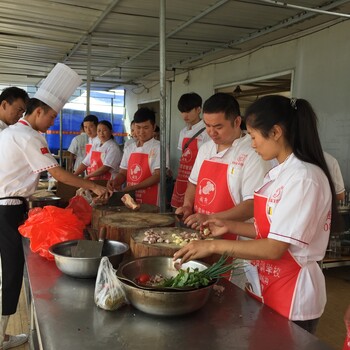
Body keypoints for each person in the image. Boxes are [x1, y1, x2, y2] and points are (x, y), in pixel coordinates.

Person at [174, 95, 341, 334]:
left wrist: (212, 246)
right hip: (267, 284)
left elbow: (275, 247)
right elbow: (268, 229)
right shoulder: (280, 173)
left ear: (275, 132)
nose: (252, 144)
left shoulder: (303, 177)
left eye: (253, 136)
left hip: (293, 294)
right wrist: (228, 226)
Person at [0, 63, 110, 350]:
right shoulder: (28, 136)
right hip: (6, 208)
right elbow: (59, 174)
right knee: (12, 269)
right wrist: (93, 186)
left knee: (10, 268)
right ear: (38, 112)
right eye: (51, 116)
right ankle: (1, 336)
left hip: (9, 205)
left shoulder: (13, 132)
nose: (53, 122)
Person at [175, 93, 270, 234]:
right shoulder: (205, 148)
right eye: (207, 126)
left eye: (218, 127)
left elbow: (252, 205)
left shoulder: (254, 153)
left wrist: (210, 218)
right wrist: (188, 206)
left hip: (235, 238)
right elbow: (193, 183)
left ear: (237, 122)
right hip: (201, 232)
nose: (211, 132)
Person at [108, 107, 168, 206]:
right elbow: (123, 172)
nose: (141, 132)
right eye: (138, 127)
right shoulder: (130, 148)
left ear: (153, 127)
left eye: (146, 128)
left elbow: (158, 176)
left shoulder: (159, 148)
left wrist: (133, 187)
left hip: (152, 199)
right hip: (131, 198)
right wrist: (115, 181)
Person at [170, 92, 211, 209]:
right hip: (183, 175)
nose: (184, 115)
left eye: (188, 111)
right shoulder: (183, 132)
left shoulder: (206, 130)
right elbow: (183, 155)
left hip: (198, 176)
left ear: (198, 109)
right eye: (182, 112)